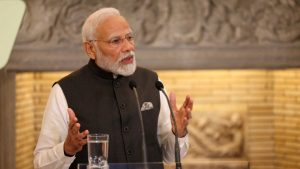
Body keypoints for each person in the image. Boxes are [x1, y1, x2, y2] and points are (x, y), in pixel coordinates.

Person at [34, 7, 193, 169]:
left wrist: (178, 134)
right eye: (116, 41)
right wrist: (66, 150)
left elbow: (170, 156)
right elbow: (41, 164)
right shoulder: (64, 90)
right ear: (90, 49)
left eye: (129, 38)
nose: (128, 47)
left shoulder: (152, 82)